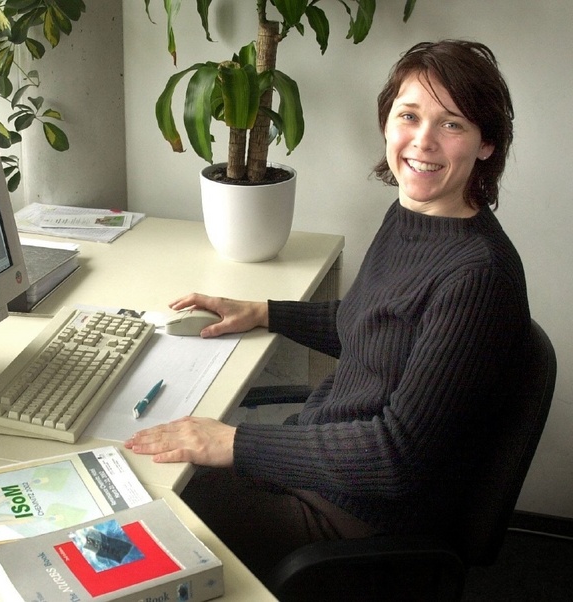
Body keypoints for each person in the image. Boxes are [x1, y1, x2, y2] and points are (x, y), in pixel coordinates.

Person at [124, 39, 530, 580]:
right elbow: (377, 325)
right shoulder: (414, 212)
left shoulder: (477, 275)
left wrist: (235, 442)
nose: (422, 141)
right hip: (323, 469)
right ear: (388, 122)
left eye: (452, 124)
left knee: (137, 514)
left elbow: (395, 457)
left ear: (486, 144)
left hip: (357, 515)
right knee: (148, 470)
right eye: (408, 116)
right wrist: (264, 311)